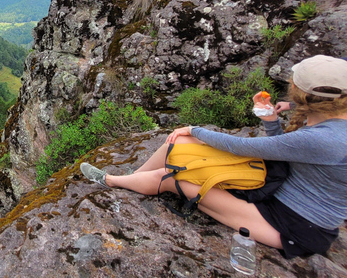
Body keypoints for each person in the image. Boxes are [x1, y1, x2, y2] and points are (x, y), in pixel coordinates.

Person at [80, 55, 347, 258]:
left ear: (305, 95)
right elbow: (284, 148)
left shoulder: (327, 139)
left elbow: (247, 148)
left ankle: (112, 181)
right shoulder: (329, 119)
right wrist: (271, 118)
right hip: (271, 183)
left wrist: (197, 129)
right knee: (178, 142)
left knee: (174, 178)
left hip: (295, 224)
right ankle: (136, 179)